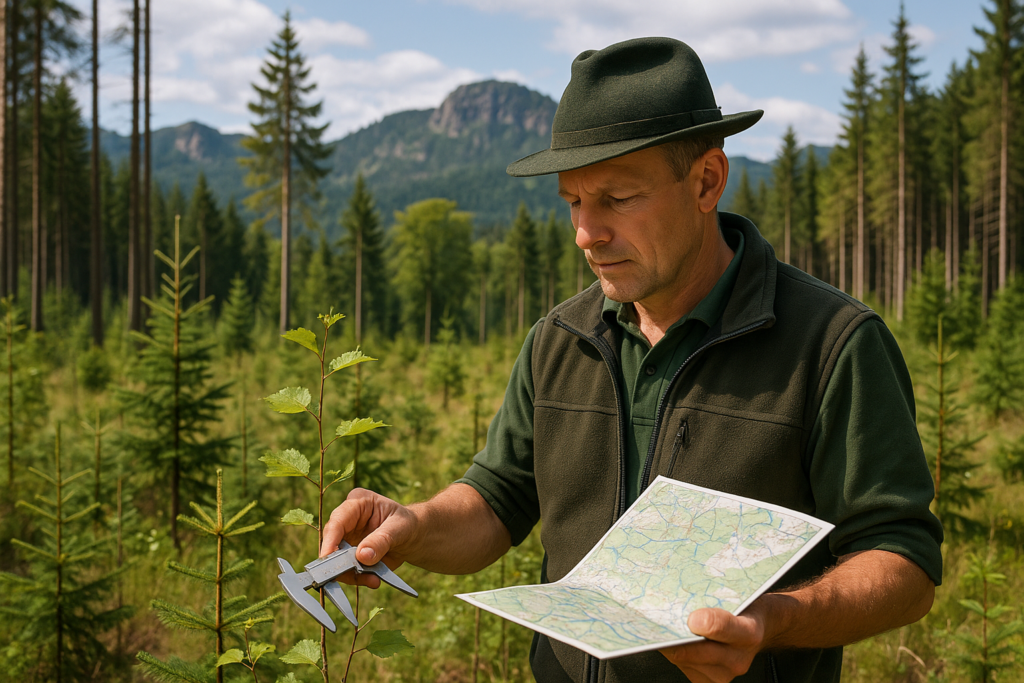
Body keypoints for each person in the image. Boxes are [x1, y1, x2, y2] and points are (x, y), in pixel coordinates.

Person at [321, 37, 943, 683]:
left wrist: (773, 621)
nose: (587, 232)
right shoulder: (559, 339)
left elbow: (903, 561)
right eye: (573, 202)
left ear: (706, 181)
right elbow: (497, 499)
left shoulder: (832, 344)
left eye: (617, 199)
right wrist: (412, 524)